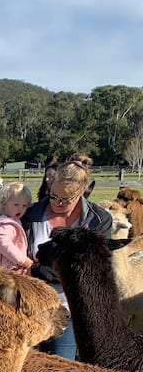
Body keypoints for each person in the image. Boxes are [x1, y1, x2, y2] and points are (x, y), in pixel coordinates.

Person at [23, 153, 112, 360]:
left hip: (70, 310)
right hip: (30, 307)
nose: (57, 203)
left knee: (59, 371)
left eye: (66, 199)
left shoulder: (98, 221)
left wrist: (38, 269)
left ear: (83, 191)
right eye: (53, 195)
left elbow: (91, 270)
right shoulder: (31, 214)